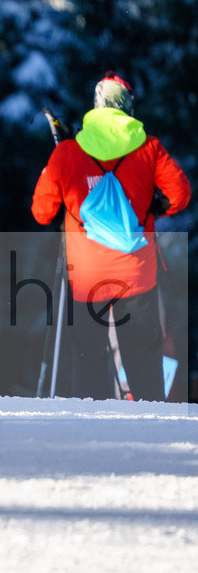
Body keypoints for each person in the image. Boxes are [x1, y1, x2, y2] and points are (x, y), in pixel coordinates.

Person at [31, 72, 190, 401]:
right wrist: (157, 206)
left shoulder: (67, 153)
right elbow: (180, 194)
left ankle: (95, 429)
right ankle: (151, 424)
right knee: (143, 357)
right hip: (136, 273)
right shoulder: (149, 148)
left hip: (86, 275)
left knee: (88, 357)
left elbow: (41, 212)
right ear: (128, 107)